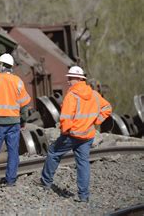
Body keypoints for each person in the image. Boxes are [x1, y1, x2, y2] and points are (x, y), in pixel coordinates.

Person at [39, 66, 112, 202]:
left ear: (78, 79)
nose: (68, 81)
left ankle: (45, 183)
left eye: (70, 78)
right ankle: (83, 196)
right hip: (87, 136)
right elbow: (107, 107)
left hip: (72, 135)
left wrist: (65, 132)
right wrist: (96, 120)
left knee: (53, 153)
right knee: (83, 164)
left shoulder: (71, 96)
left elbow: (65, 118)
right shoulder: (95, 95)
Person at [0, 53, 31, 187]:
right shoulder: (18, 81)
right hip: (14, 124)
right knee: (13, 153)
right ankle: (11, 181)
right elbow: (24, 104)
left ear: (3, 65)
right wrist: (23, 121)